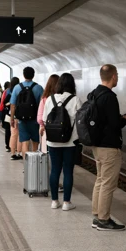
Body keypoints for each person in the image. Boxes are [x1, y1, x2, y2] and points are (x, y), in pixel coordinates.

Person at [89, 64, 126, 231]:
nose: (117, 78)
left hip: (97, 145)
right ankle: (104, 220)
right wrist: (124, 120)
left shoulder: (94, 93)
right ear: (113, 76)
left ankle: (97, 216)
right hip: (109, 147)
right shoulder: (109, 97)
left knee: (100, 180)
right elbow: (114, 124)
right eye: (117, 75)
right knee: (107, 184)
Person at [43, 73, 82, 210]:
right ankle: (66, 203)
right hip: (70, 142)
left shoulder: (50, 99)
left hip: (53, 141)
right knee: (68, 171)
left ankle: (54, 201)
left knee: (55, 170)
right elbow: (80, 121)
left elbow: (44, 119)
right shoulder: (75, 100)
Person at [9, 67, 44, 161]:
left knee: (25, 142)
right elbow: (42, 104)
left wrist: (12, 119)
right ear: (33, 75)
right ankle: (35, 164)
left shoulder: (17, 87)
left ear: (23, 75)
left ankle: (26, 165)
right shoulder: (38, 88)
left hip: (22, 120)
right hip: (35, 120)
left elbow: (13, 105)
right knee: (35, 142)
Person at [37, 74, 59, 140]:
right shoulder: (62, 98)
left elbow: (40, 118)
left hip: (47, 129)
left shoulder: (44, 99)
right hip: (60, 127)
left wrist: (42, 125)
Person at [6, 77, 20, 156]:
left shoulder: (9, 91)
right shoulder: (20, 90)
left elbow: (12, 105)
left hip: (13, 115)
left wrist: (11, 118)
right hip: (20, 115)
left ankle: (13, 152)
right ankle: (19, 152)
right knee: (20, 135)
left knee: (13, 134)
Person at [0, 81, 12, 151]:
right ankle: (15, 147)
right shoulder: (18, 91)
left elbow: (3, 102)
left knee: (8, 131)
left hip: (8, 114)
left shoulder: (7, 92)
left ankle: (8, 146)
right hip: (17, 115)